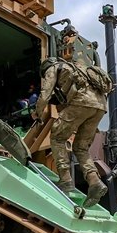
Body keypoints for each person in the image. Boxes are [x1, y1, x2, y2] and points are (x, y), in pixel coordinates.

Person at [36, 27, 108, 207]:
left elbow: (45, 94)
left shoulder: (54, 67)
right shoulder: (81, 67)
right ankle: (94, 181)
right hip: (100, 106)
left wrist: (37, 113)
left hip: (81, 103)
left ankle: (66, 181)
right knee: (81, 148)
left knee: (58, 137)